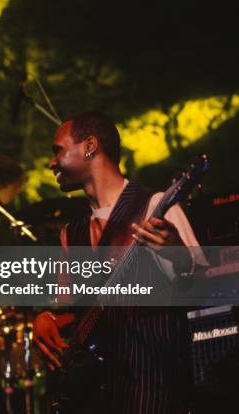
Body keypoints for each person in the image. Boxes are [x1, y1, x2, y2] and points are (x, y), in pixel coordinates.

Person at [32, 111, 205, 413]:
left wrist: (177, 255)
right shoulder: (70, 234)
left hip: (154, 388)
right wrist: (47, 318)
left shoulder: (155, 206)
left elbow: (204, 292)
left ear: (89, 146)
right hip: (96, 393)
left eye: (57, 150)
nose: (50, 163)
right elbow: (81, 313)